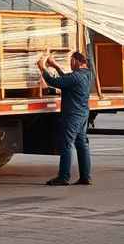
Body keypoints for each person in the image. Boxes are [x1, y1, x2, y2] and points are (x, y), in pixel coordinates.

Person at [36, 51, 93, 186]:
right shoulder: (87, 74)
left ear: (76, 61)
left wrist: (42, 67)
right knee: (82, 145)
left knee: (67, 145)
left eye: (71, 62)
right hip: (83, 114)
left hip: (73, 115)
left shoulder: (76, 77)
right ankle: (86, 177)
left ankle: (63, 177)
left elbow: (54, 81)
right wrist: (55, 65)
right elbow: (68, 79)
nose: (71, 65)